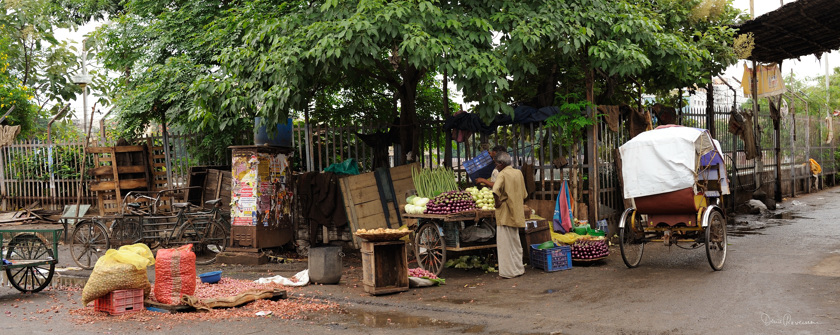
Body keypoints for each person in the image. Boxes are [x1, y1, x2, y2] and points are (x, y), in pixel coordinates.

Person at [491, 152, 527, 278]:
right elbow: (524, 194)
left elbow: (495, 190)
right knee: (515, 242)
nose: (495, 166)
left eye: (496, 164)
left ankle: (508, 272)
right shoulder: (518, 173)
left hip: (505, 213)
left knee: (505, 244)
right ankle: (518, 269)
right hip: (516, 211)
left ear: (501, 164)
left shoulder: (503, 174)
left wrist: (497, 203)